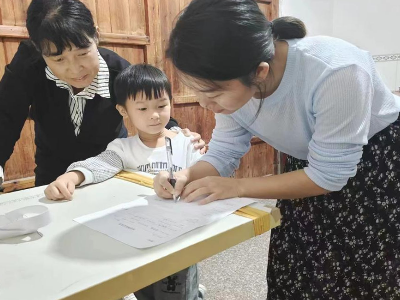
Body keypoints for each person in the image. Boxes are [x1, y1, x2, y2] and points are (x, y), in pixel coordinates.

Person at [154, 0, 400, 299]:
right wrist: (185, 174)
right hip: (308, 167)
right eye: (198, 91)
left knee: (361, 275)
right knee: (298, 271)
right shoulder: (233, 80)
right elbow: (223, 152)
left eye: (213, 93)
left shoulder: (337, 70)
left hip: (377, 166)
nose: (205, 104)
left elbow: (330, 175)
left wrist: (237, 187)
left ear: (259, 72)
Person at [0, 0, 204, 187]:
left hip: (108, 171)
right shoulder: (28, 66)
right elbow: (5, 117)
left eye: (82, 53)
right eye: (59, 60)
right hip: (51, 173)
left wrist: (179, 135)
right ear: (38, 50)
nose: (75, 69)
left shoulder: (119, 71)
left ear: (95, 35)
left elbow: (150, 106)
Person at [45, 64, 206, 300]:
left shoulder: (186, 143)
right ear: (123, 110)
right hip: (137, 234)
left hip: (177, 236)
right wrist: (71, 176)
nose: (154, 114)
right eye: (142, 108)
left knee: (177, 290)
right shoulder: (123, 148)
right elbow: (101, 164)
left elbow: (207, 175)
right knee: (141, 285)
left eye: (162, 106)